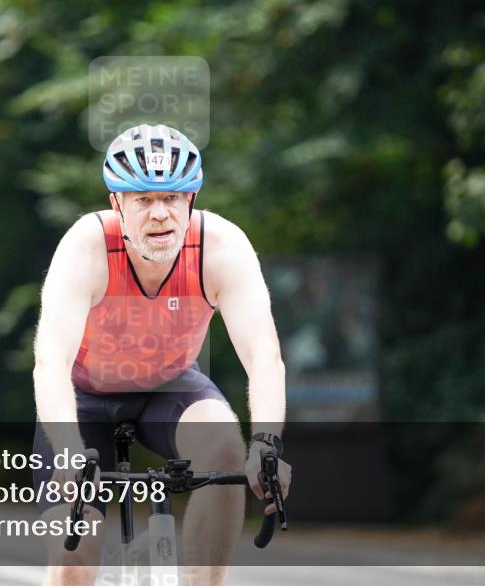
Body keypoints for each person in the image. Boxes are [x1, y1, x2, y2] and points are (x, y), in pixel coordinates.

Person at [32, 124, 292, 586]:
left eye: (172, 199)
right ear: (117, 204)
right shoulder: (86, 247)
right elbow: (50, 361)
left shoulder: (221, 247)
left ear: (190, 200)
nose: (159, 215)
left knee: (224, 444)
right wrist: (71, 452)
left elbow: (264, 356)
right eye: (143, 199)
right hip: (82, 396)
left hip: (169, 386)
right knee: (76, 552)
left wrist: (267, 445)